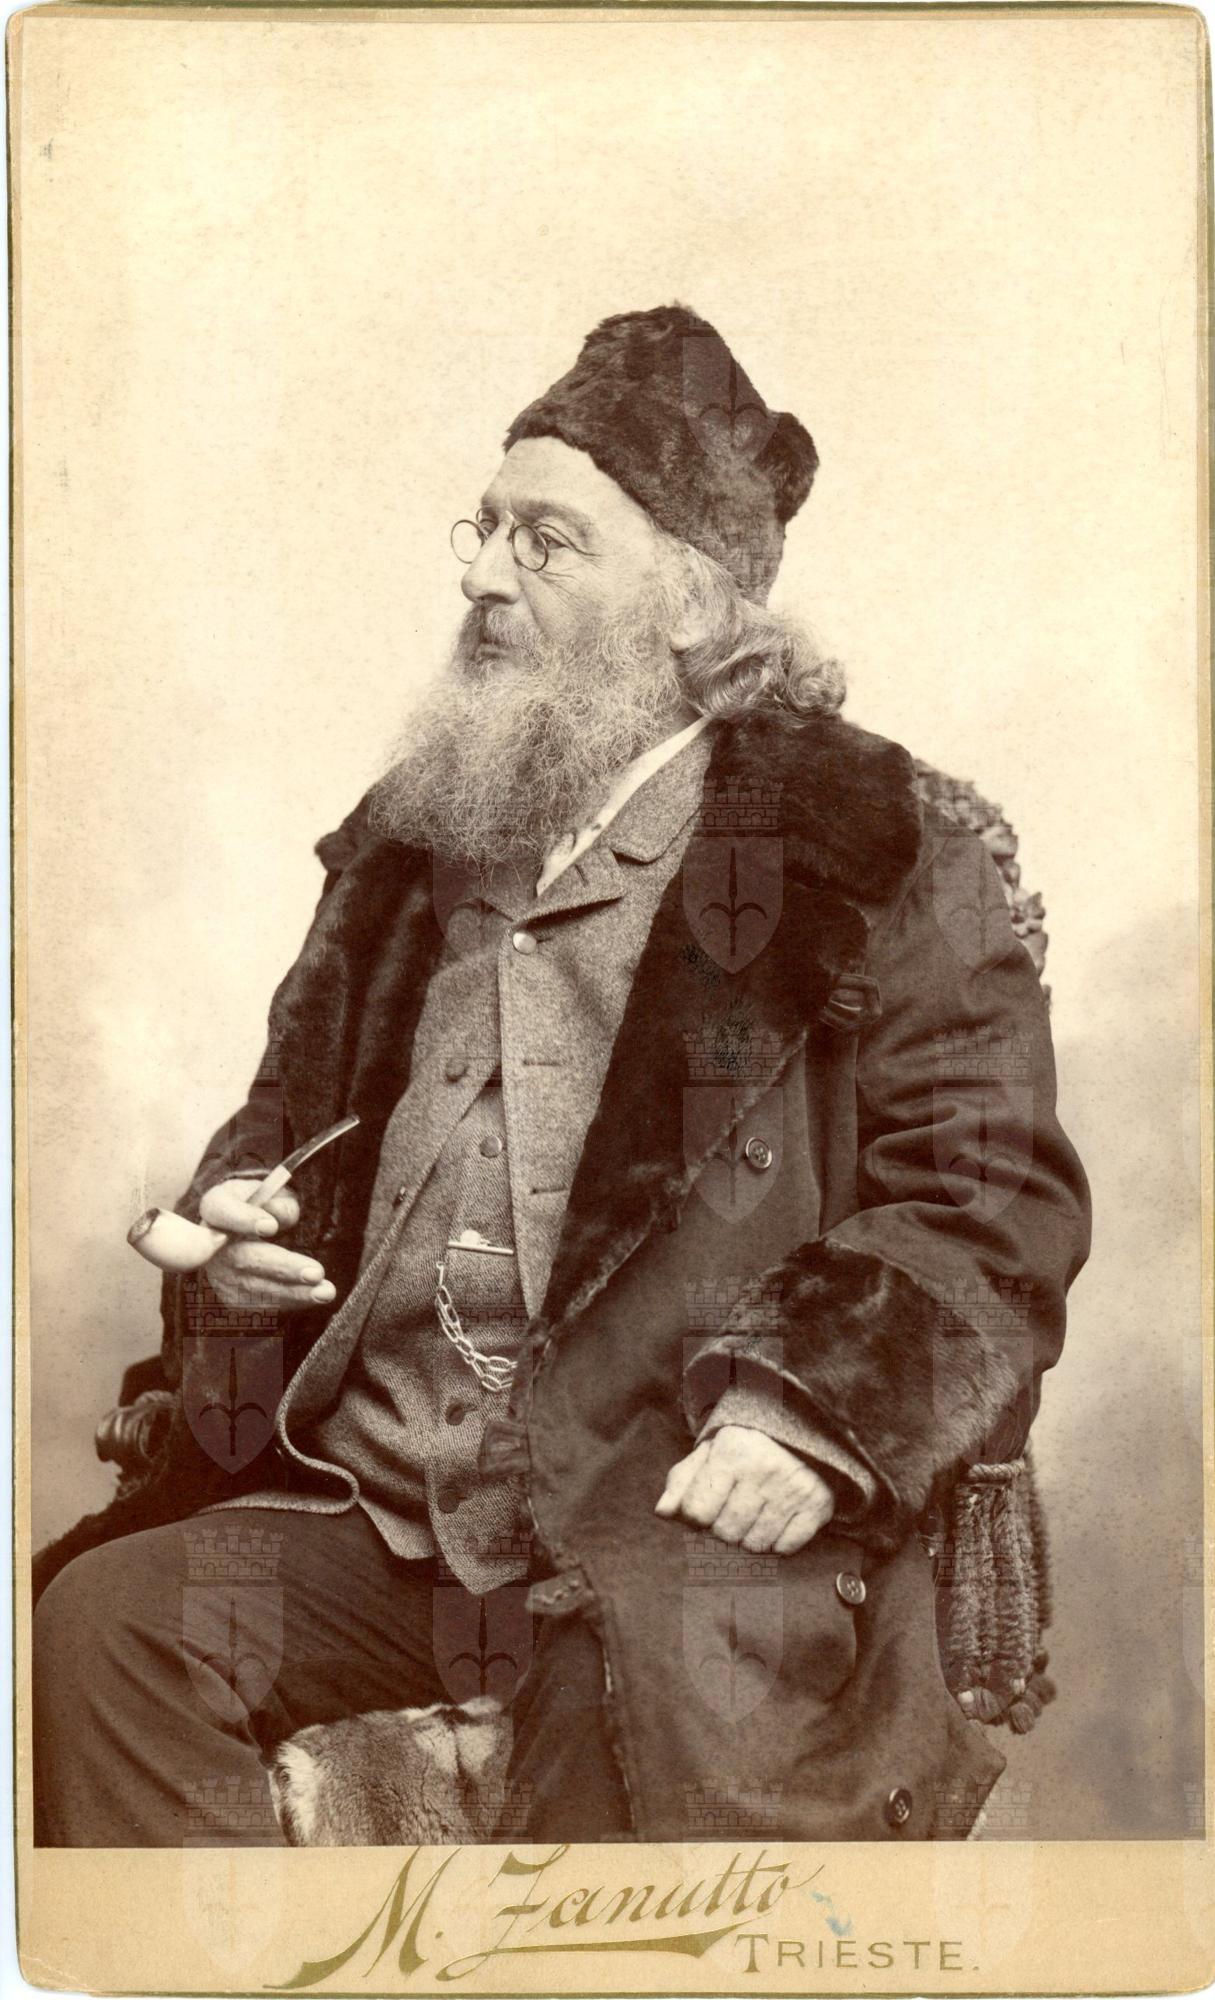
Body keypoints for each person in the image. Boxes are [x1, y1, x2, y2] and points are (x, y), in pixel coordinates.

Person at [33, 304, 1090, 1847]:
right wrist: (246, 1232)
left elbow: (989, 1198)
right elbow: (283, 1129)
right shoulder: (414, 840)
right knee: (107, 1632)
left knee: (627, 1781)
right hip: (390, 1518)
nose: (480, 575)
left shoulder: (870, 846)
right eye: (486, 530)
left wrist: (800, 1419)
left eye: (546, 542)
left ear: (693, 601)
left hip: (675, 1524)